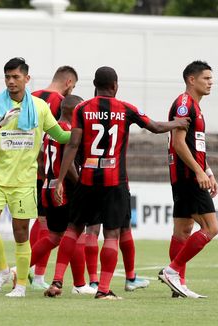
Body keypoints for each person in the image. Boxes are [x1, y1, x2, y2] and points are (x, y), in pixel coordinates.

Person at [44, 66, 190, 300]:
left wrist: (60, 180)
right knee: (111, 234)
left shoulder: (81, 108)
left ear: (94, 85)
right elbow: (155, 127)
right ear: (115, 86)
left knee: (73, 229)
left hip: (87, 178)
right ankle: (103, 290)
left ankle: (57, 280)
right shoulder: (126, 109)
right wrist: (176, 123)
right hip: (114, 181)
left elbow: (72, 145)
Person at [0, 57, 71, 297]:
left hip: (25, 180)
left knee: (21, 233)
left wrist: (79, 133)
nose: (11, 81)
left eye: (16, 77)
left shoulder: (39, 107)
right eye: (7, 77)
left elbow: (59, 135)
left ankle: (21, 286)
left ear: (27, 79)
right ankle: (3, 271)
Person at [158, 61, 218, 298]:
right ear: (191, 80)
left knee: (183, 230)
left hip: (188, 175)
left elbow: (196, 146)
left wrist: (208, 171)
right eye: (206, 78)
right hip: (187, 176)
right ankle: (172, 271)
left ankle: (177, 284)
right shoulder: (184, 105)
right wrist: (198, 172)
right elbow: (179, 143)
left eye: (211, 79)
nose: (210, 82)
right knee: (211, 228)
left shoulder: (195, 106)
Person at [29, 94, 95, 294]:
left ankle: (19, 270)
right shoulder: (68, 131)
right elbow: (70, 165)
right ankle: (79, 285)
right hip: (64, 189)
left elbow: (41, 162)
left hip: (48, 187)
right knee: (74, 233)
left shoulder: (51, 131)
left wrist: (49, 179)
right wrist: (81, 185)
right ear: (74, 111)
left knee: (55, 236)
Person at [30, 66, 78, 287]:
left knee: (40, 223)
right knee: (66, 230)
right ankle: (39, 275)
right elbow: (65, 143)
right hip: (56, 174)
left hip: (32, 167)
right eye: (74, 86)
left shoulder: (31, 98)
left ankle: (32, 273)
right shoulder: (62, 103)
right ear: (69, 82)